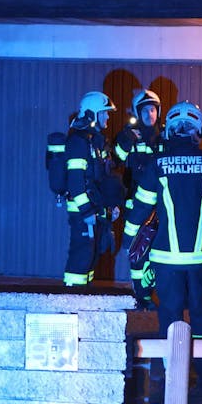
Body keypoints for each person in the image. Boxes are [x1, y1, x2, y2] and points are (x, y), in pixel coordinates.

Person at [124, 102, 202, 391]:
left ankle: (168, 374)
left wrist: (131, 252)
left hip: (166, 260)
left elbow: (138, 215)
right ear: (198, 129)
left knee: (170, 314)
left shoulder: (155, 166)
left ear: (170, 130)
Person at [62, 92, 122, 287]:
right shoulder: (78, 142)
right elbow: (75, 180)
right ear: (92, 114)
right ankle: (71, 302)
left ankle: (84, 298)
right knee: (82, 256)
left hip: (94, 210)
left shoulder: (94, 142)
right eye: (104, 113)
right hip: (82, 212)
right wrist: (86, 211)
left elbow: (104, 178)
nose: (107, 117)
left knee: (92, 256)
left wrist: (111, 205)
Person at [115, 88, 164, 309]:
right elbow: (116, 158)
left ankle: (153, 291)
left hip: (162, 206)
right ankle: (141, 294)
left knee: (160, 250)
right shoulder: (130, 136)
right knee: (138, 251)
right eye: (145, 110)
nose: (150, 115)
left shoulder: (165, 136)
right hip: (137, 204)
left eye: (153, 110)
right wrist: (126, 140)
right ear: (137, 111)